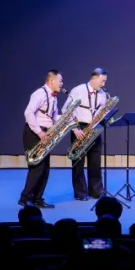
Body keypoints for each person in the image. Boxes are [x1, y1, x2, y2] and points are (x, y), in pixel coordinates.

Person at [19, 70, 64, 208]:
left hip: (46, 134)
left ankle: (37, 198)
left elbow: (53, 117)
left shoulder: (54, 97)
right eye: (60, 81)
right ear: (52, 81)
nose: (62, 84)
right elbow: (28, 112)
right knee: (36, 167)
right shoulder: (40, 93)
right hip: (34, 134)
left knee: (45, 169)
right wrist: (39, 132)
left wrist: (66, 118)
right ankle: (25, 198)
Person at [64, 68, 109, 201]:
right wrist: (75, 129)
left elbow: (103, 111)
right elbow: (65, 110)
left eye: (105, 81)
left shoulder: (103, 94)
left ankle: (96, 191)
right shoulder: (78, 90)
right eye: (102, 81)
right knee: (78, 162)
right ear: (94, 78)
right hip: (79, 128)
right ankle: (80, 193)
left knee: (95, 162)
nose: (104, 84)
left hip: (94, 128)